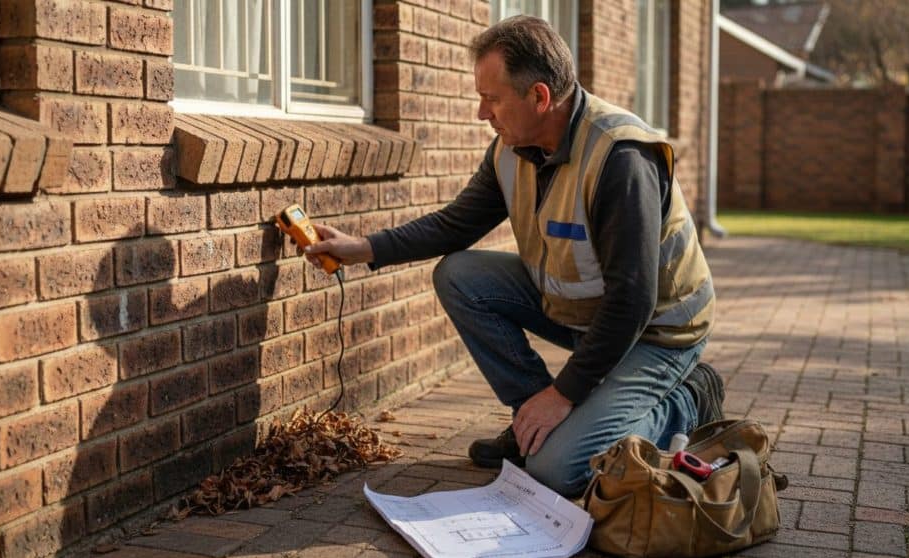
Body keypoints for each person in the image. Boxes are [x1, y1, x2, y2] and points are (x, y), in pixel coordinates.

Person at [305, 15, 724, 498]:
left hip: (659, 332)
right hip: (587, 314)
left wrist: (563, 394)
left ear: (540, 97)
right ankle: (531, 421)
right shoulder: (511, 149)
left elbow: (632, 300)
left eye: (492, 98)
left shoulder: (621, 158)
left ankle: (689, 400)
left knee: (558, 471)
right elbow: (456, 224)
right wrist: (362, 248)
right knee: (460, 275)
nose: (481, 113)